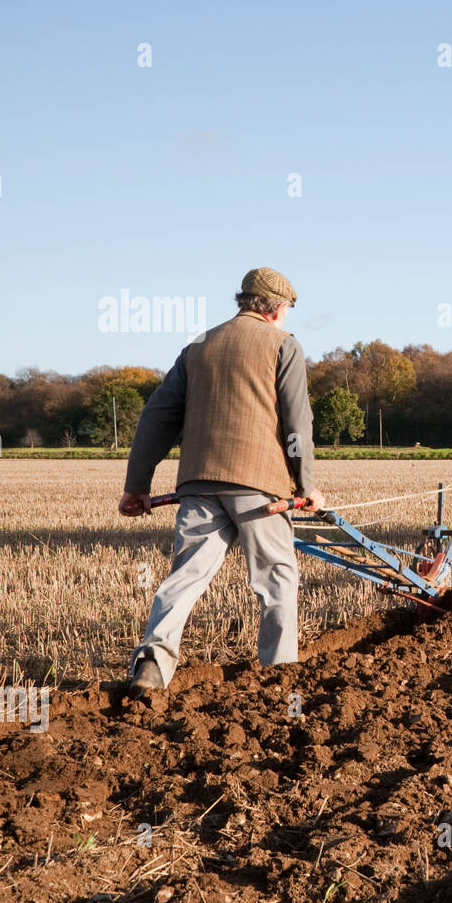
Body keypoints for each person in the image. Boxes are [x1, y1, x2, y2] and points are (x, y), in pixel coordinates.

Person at [118, 267, 325, 694]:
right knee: (276, 577)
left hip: (198, 482)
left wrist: (137, 484)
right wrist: (305, 486)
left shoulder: (198, 346)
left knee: (186, 576)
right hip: (259, 486)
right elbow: (297, 424)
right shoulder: (284, 345)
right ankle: (280, 673)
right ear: (277, 309)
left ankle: (153, 662)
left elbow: (157, 416)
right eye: (288, 308)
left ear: (245, 301)